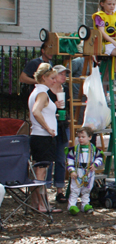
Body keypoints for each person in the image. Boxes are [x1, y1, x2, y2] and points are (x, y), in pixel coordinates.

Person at [28, 63, 61, 213]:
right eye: (52, 78)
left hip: (38, 136)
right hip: (43, 137)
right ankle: (42, 205)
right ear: (44, 78)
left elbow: (38, 112)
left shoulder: (36, 92)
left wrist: (50, 116)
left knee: (37, 171)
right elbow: (36, 111)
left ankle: (36, 203)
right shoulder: (42, 94)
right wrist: (47, 127)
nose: (54, 81)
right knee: (41, 173)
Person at [66, 127, 102, 215]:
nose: (80, 139)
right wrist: (72, 171)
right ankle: (72, 205)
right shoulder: (74, 150)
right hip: (77, 172)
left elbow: (100, 158)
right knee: (74, 190)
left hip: (88, 173)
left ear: (90, 137)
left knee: (87, 190)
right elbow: (69, 160)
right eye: (79, 137)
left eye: (83, 137)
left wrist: (95, 164)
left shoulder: (93, 149)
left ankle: (85, 204)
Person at [48, 65, 70, 204]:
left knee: (61, 159)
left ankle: (60, 190)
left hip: (63, 125)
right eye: (61, 74)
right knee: (49, 159)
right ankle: (45, 188)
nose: (64, 77)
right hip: (50, 126)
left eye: (65, 74)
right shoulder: (46, 91)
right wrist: (54, 105)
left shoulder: (66, 90)